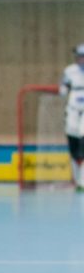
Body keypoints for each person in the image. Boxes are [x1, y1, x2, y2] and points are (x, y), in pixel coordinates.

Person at [59, 43, 84, 191]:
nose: (81, 59)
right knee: (73, 143)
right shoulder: (70, 71)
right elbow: (63, 87)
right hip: (73, 109)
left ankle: (83, 181)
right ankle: (76, 179)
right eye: (79, 56)